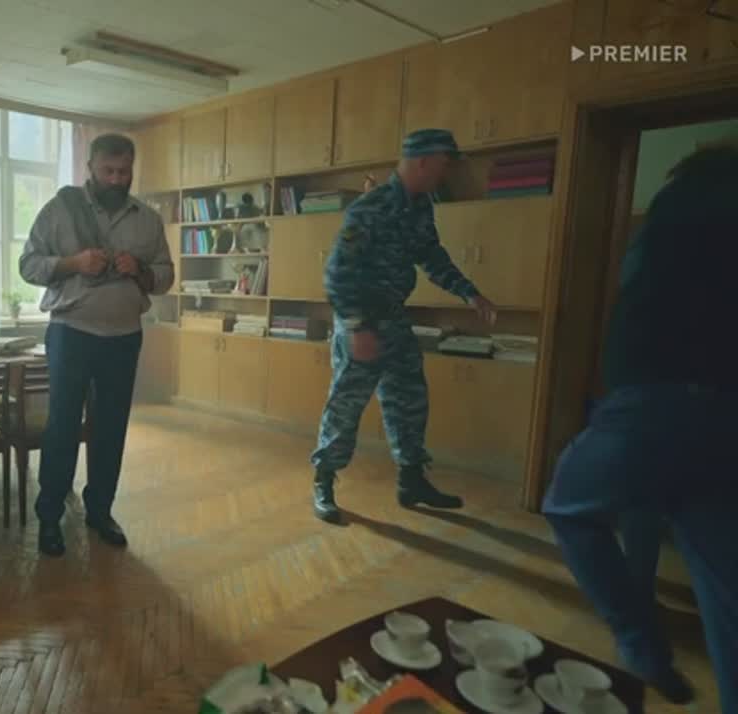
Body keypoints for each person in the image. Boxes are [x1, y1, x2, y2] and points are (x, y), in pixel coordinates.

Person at [543, 140, 738, 710]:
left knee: (568, 505)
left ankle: (642, 644)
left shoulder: (676, 206)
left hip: (652, 403)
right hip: (725, 415)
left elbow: (638, 291)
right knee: (721, 581)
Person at [311, 129, 498, 523]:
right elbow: (336, 272)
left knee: (409, 400)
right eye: (444, 165)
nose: (446, 174)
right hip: (360, 321)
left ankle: (411, 481)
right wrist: (357, 327)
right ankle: (324, 481)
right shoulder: (370, 208)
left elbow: (431, 255)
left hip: (394, 319)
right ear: (423, 161)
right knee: (346, 405)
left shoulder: (421, 207)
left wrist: (469, 292)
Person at [19, 133, 174, 557]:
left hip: (123, 339)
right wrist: (74, 263)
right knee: (63, 426)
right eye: (109, 171)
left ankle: (100, 511)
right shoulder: (59, 210)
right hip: (71, 333)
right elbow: (28, 265)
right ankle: (50, 517)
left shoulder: (148, 220)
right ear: (90, 167)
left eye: (124, 171)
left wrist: (139, 269)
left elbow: (165, 276)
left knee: (111, 429)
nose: (117, 179)